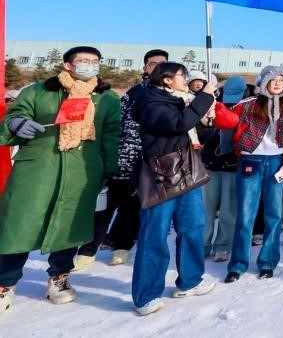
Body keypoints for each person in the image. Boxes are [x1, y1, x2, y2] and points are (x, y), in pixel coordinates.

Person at [0, 46, 120, 314]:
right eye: (83, 61)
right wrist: (17, 124)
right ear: (67, 65)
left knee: (70, 224)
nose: (90, 65)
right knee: (19, 224)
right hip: (39, 168)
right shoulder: (38, 91)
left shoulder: (107, 98)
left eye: (95, 61)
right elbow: (12, 116)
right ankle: (4, 284)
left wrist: (108, 170)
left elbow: (111, 136)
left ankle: (59, 278)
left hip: (82, 169)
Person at [131, 61, 218, 315]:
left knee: (193, 226)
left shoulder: (183, 100)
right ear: (166, 79)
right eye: (181, 75)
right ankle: (146, 294)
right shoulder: (149, 101)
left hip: (188, 170)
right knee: (154, 233)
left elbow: (198, 134)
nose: (185, 78)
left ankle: (190, 280)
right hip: (162, 174)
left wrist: (207, 120)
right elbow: (176, 124)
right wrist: (204, 97)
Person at [76, 49, 167, 269]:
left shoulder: (170, 95)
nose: (158, 68)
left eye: (163, 64)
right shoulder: (133, 93)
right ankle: (88, 250)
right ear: (145, 68)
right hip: (121, 159)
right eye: (153, 64)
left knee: (133, 208)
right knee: (104, 208)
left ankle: (123, 247)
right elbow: (116, 124)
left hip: (148, 162)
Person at [217, 66, 283, 283]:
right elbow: (226, 121)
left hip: (278, 163)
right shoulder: (248, 104)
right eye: (272, 80)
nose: (277, 83)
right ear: (263, 81)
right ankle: (237, 264)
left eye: (281, 80)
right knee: (245, 215)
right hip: (250, 161)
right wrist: (215, 105)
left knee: (274, 215)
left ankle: (268, 262)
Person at [200, 76, 246, 261]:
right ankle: (202, 244)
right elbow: (203, 133)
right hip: (210, 163)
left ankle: (224, 244)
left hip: (233, 165)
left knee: (229, 208)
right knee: (206, 208)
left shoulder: (247, 107)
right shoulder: (213, 103)